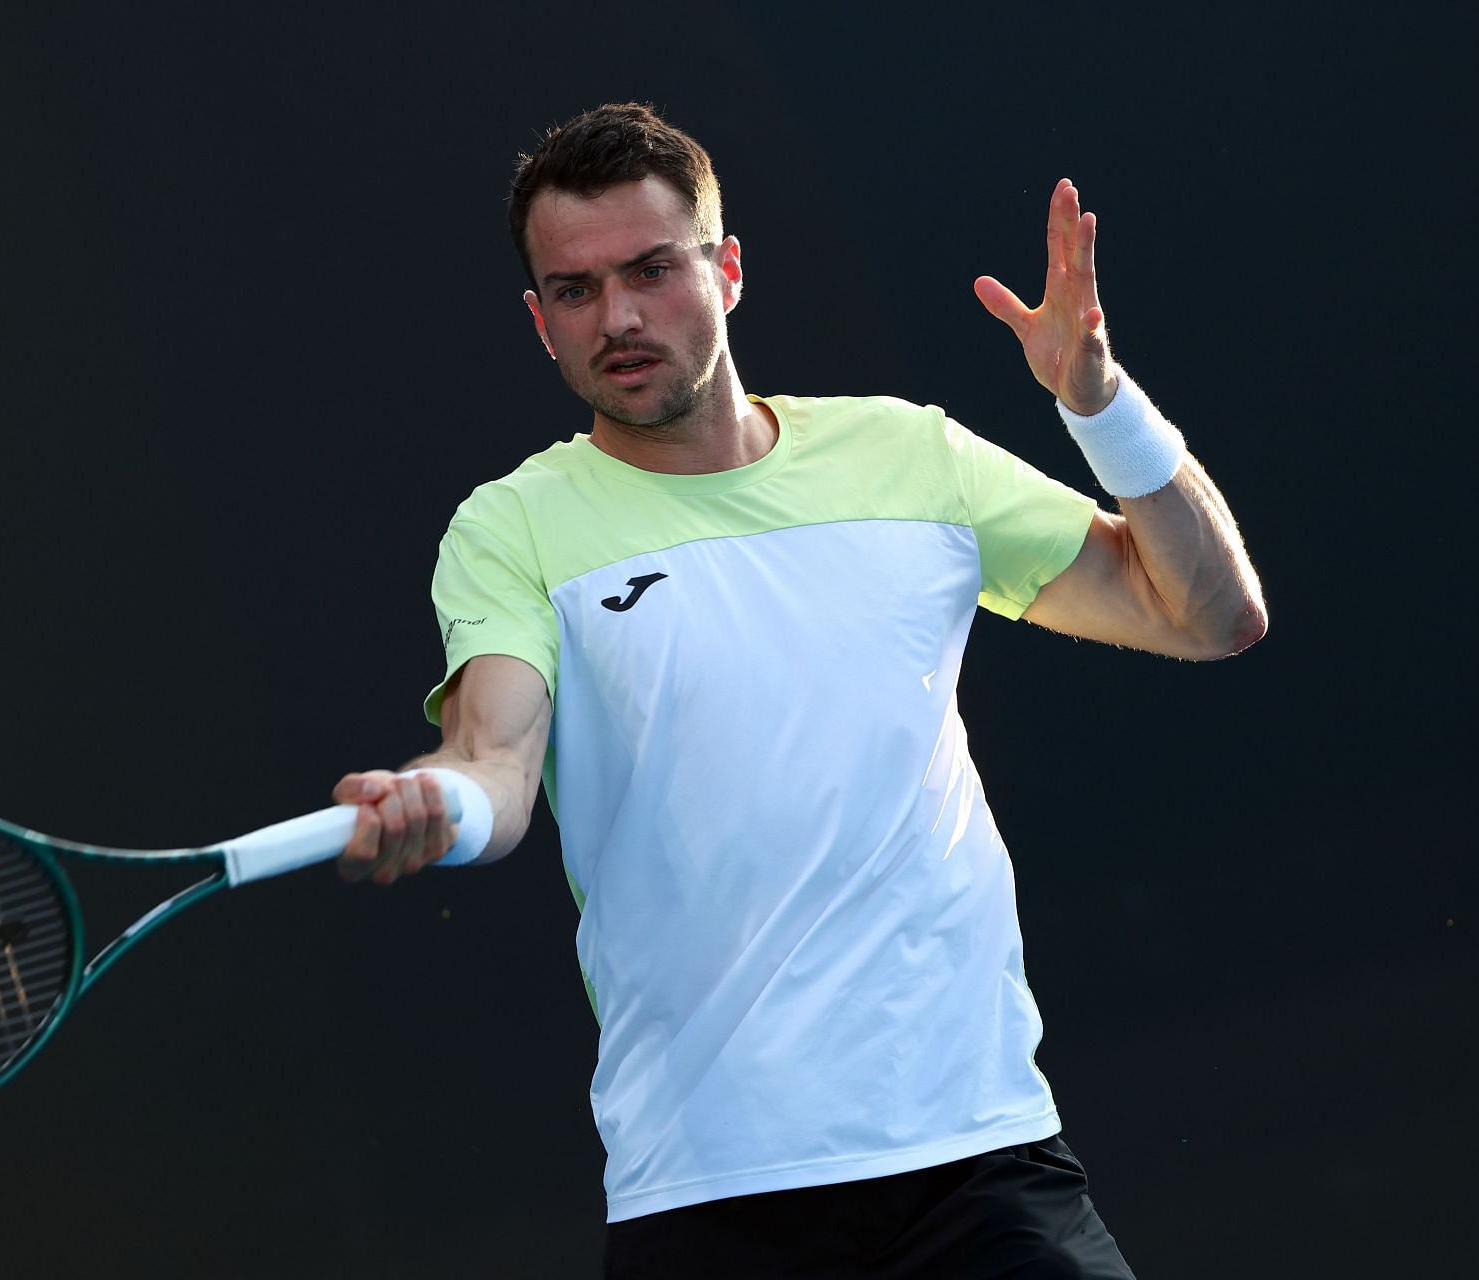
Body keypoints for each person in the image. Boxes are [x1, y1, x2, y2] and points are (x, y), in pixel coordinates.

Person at [329, 103, 1265, 1278]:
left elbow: (1212, 615)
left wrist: (1100, 405)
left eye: (652, 270)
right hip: (714, 1196)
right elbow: (495, 763)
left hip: (981, 1163)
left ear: (726, 271)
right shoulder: (511, 526)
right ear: (539, 321)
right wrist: (440, 805)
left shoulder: (907, 456)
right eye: (574, 290)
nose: (617, 316)